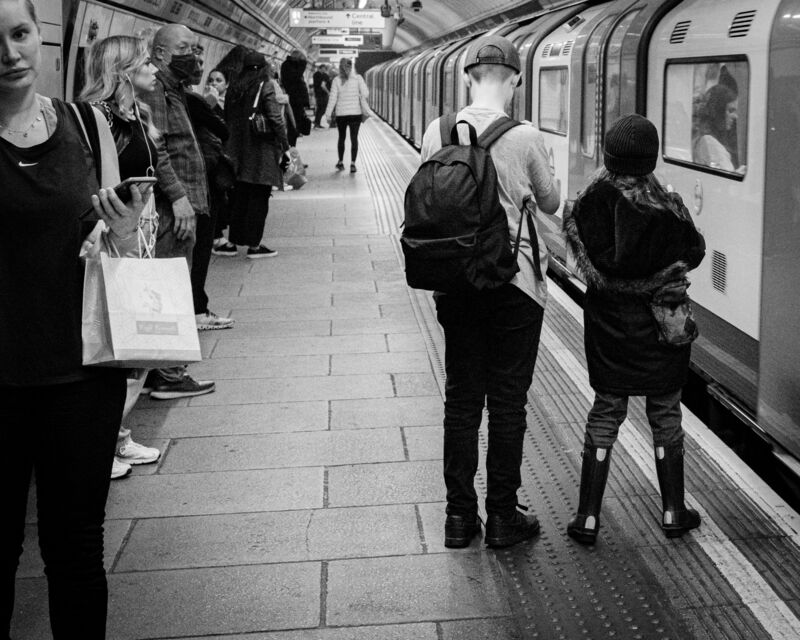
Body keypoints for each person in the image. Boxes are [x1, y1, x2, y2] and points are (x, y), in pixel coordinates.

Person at [0, 0, 152, 635]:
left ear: (39, 37)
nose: (9, 53)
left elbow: (121, 243)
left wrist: (124, 228)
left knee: (77, 550)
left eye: (20, 33)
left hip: (84, 372)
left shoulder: (86, 125)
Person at [419, 35, 560, 549]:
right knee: (507, 402)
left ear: (467, 78)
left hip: (456, 281)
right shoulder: (526, 136)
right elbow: (551, 202)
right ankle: (503, 516)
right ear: (516, 81)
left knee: (461, 399)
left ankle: (459, 517)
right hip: (514, 283)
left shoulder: (437, 131)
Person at [563, 114, 706, 545]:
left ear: (609, 156)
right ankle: (673, 510)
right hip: (661, 331)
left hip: (609, 333)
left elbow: (581, 257)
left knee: (606, 411)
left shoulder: (588, 205)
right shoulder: (667, 208)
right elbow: (695, 252)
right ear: (651, 159)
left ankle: (588, 517)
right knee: (665, 412)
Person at [79, 34, 165, 478]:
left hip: (141, 231)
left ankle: (116, 435)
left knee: (140, 341)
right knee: (116, 342)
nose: (154, 68)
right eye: (146, 62)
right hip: (113, 236)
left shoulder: (136, 115)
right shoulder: (97, 118)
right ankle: (99, 443)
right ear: (123, 70)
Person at [140, 23, 219, 398]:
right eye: (185, 48)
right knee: (171, 285)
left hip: (181, 203)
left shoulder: (173, 90)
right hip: (174, 208)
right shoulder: (156, 89)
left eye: (197, 48)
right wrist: (179, 197)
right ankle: (168, 375)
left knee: (171, 282)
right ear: (160, 54)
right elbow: (157, 148)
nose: (194, 56)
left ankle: (160, 370)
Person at [217, 51, 287, 258]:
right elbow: (275, 118)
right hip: (260, 151)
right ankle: (254, 246)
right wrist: (285, 144)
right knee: (259, 198)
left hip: (236, 151)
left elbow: (228, 117)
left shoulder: (234, 88)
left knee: (239, 197)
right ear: (264, 67)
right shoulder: (265, 86)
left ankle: (232, 242)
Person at [186, 48, 235, 331]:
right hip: (201, 180)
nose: (198, 65)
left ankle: (193, 307)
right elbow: (222, 130)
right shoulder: (192, 99)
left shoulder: (178, 96)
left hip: (195, 180)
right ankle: (196, 309)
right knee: (200, 248)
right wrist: (210, 104)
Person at [324, 58, 369, 173]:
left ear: (340, 67)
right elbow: (366, 94)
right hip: (355, 114)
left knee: (341, 138)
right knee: (354, 139)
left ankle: (340, 162)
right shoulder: (358, 78)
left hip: (341, 115)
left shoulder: (336, 80)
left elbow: (332, 98)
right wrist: (358, 94)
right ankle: (353, 164)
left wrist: (328, 114)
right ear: (351, 66)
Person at [692, 83, 744, 173]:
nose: (736, 116)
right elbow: (726, 179)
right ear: (718, 112)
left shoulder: (707, 140)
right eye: (730, 110)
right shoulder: (709, 143)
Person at [280, 49, 310, 145]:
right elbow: (296, 77)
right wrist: (303, 64)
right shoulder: (288, 66)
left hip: (296, 100)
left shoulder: (290, 65)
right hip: (293, 100)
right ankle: (291, 145)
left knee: (295, 122)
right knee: (292, 123)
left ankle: (293, 142)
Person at [313, 63, 331, 128]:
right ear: (320, 68)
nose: (324, 70)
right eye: (323, 69)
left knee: (320, 109)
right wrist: (328, 92)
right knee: (322, 108)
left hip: (318, 94)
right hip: (322, 95)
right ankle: (317, 122)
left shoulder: (316, 74)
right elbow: (323, 86)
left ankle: (317, 122)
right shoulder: (323, 75)